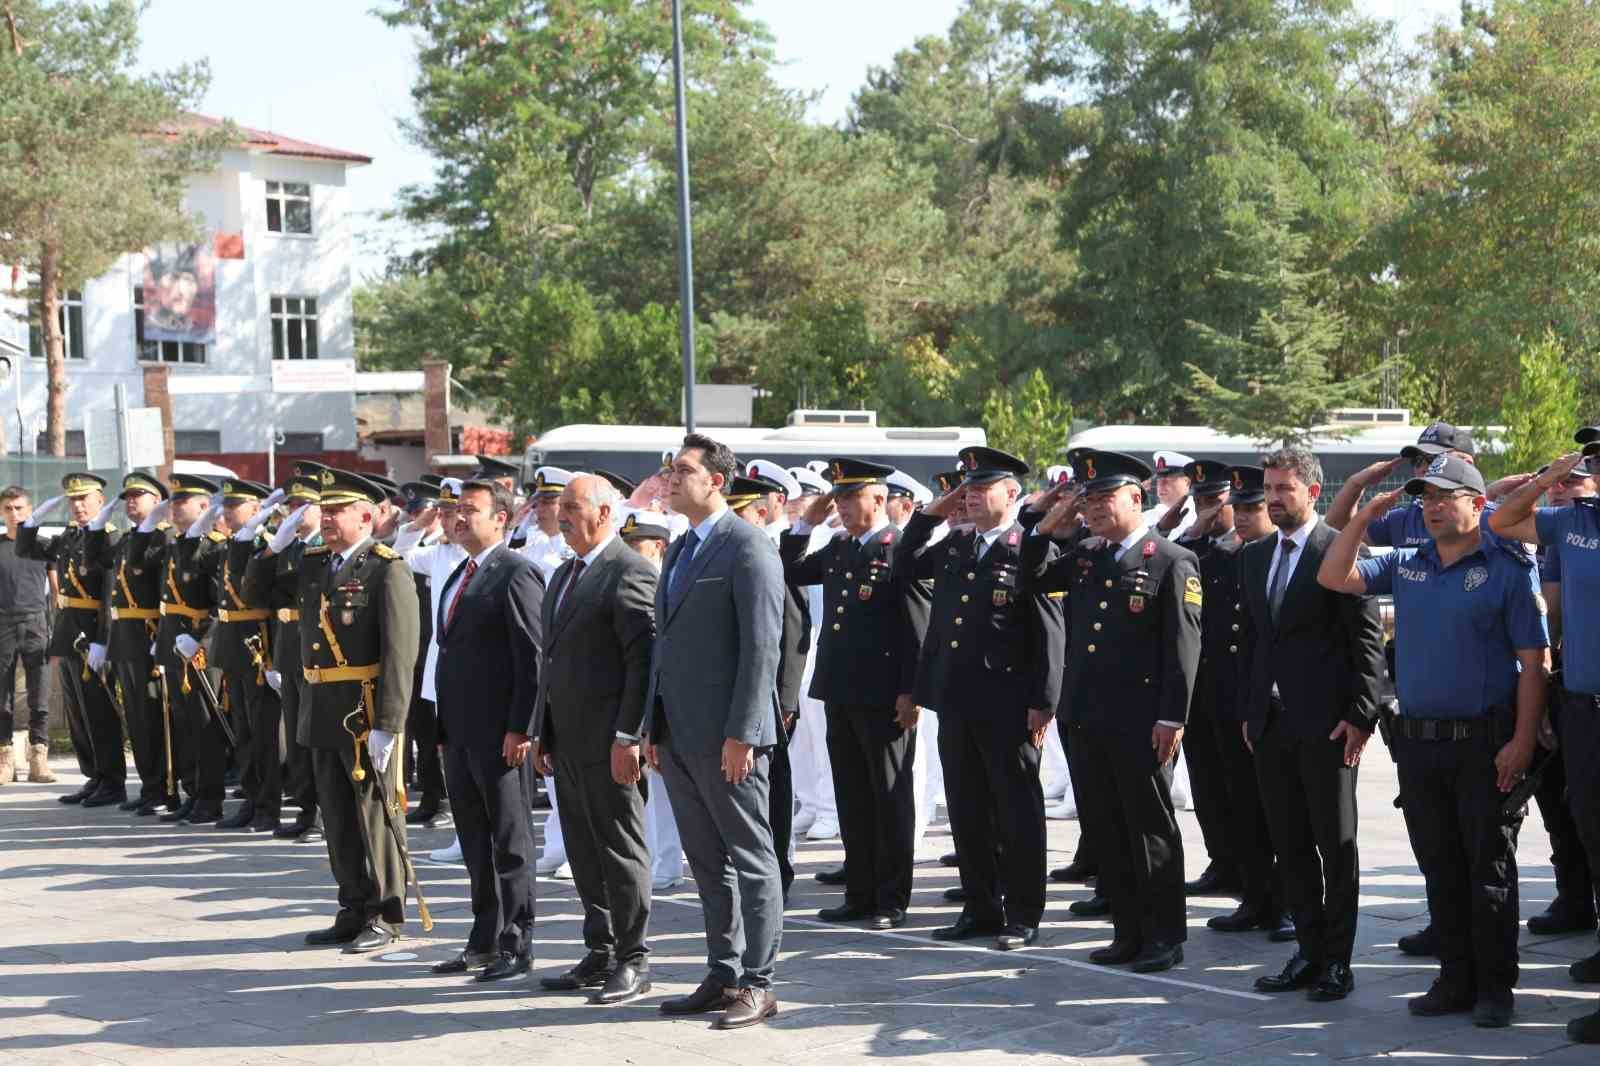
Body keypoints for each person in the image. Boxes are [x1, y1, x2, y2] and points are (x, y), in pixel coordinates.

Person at [1318, 454, 1546, 1028]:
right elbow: (1333, 576)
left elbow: (1534, 664)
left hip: (1484, 744)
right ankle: (1454, 977)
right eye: (1426, 498)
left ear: (1478, 504)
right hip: (1420, 745)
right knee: (1439, 865)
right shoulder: (1407, 562)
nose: (1434, 506)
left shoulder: (1508, 567)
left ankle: (1495, 987)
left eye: (1447, 496)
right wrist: (1360, 517)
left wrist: (1522, 742)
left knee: (1487, 868)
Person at [1031, 449, 1201, 973]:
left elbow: (1183, 647)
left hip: (1141, 722)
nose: (1096, 507)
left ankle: (1164, 936)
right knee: (1108, 830)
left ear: (1137, 497)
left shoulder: (1170, 559)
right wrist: (1057, 516)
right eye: (1089, 498)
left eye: (1105, 496)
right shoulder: (1086, 556)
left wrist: (1172, 718)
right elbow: (1030, 575)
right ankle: (1127, 931)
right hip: (1086, 718)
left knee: (1149, 831)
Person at [642, 433, 785, 1030]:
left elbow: (762, 648)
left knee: (752, 858)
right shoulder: (680, 549)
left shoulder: (747, 547)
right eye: (671, 470)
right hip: (679, 736)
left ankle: (760, 980)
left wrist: (744, 734)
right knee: (706, 862)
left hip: (729, 739)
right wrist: (652, 725)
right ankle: (723, 970)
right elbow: (664, 646)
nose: (671, 480)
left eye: (682, 471)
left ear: (716, 482)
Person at [898, 446, 1064, 952]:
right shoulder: (956, 546)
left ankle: (1024, 912)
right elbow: (902, 567)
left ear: (1011, 493)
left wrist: (1044, 700)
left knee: (1015, 809)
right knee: (968, 808)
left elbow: (1049, 631)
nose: (967, 497)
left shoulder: (1027, 548)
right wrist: (930, 514)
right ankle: (980, 906)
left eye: (979, 488)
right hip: (956, 697)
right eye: (964, 489)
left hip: (1009, 702)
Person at [1243, 448, 1386, 1002]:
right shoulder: (1254, 557)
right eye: (1268, 488)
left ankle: (1338, 962)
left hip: (1328, 727)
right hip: (1272, 726)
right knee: (1290, 843)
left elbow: (1366, 643)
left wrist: (1360, 715)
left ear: (1312, 492)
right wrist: (1249, 712)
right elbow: (1254, 642)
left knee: (1336, 843)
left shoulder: (1339, 550)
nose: (1272, 498)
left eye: (1283, 488)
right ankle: (1307, 950)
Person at [782, 458, 930, 930]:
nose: (842, 507)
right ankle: (860, 891)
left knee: (889, 797)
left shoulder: (899, 549)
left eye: (850, 497)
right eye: (838, 498)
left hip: (885, 696)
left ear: (880, 500)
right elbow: (792, 568)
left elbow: (916, 630)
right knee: (852, 795)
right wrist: (807, 519)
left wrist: (911, 692)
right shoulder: (841, 547)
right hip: (841, 690)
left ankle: (891, 898)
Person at [1488, 442, 1600, 1043]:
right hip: (1583, 709)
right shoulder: (1573, 520)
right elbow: (1500, 519)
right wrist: (1548, 477)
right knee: (1591, 832)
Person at [531, 474, 657, 1002]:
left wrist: (630, 735)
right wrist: (544, 729)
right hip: (570, 741)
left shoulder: (628, 570)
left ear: (605, 513)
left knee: (620, 849)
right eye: (559, 507)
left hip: (611, 741)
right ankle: (600, 947)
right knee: (583, 848)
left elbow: (644, 663)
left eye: (572, 507)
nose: (561, 515)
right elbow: (552, 659)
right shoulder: (564, 574)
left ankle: (633, 956)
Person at [289, 469, 420, 953]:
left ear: (365, 516)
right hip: (322, 707)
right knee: (337, 815)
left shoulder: (386, 568)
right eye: (323, 511)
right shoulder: (316, 564)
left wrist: (389, 724)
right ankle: (353, 903)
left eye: (335, 511)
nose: (325, 519)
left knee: (374, 814)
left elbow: (400, 654)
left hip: (364, 713)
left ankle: (387, 912)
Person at [429, 479, 542, 980]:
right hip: (459, 732)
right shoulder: (459, 573)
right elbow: (448, 654)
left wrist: (522, 727)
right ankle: (483, 938)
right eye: (454, 510)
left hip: (501, 735)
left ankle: (517, 943)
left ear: (502, 518)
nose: (457, 518)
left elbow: (532, 658)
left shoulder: (515, 572)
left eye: (469, 510)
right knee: (474, 839)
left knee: (510, 842)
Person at [1188, 467, 1292, 940]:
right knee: (1233, 803)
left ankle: (1288, 902)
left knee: (1276, 810)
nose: (1247, 516)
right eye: (1243, 507)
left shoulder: (1274, 559)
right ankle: (1254, 895)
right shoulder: (1219, 555)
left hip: (1261, 701)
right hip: (1216, 696)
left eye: (1254, 507)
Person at [16, 473, 127, 804]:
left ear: (99, 500)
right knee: (78, 712)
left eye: (84, 499)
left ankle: (113, 780)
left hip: (91, 634)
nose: (77, 506)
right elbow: (27, 549)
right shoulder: (70, 536)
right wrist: (31, 521)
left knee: (99, 711)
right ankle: (94, 775)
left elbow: (110, 595)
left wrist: (102, 640)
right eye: (72, 500)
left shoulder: (108, 538)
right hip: (68, 632)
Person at [731, 472, 810, 901]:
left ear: (761, 514)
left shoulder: (770, 557)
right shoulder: (733, 555)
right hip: (741, 696)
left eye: (739, 512)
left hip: (771, 700)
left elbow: (793, 632)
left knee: (773, 790)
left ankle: (777, 871)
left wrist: (786, 698)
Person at [1171, 460, 1243, 897]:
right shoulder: (1191, 548)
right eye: (1200, 502)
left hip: (1235, 686)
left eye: (1215, 501)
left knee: (1239, 784)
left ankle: (1253, 869)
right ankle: (1222, 860)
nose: (1208, 511)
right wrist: (1194, 526)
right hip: (1200, 686)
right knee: (1207, 782)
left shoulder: (1245, 548)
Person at [242, 469, 325, 841]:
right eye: (290, 506)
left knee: (316, 734)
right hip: (289, 648)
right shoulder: (287, 547)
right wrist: (270, 549)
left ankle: (323, 810)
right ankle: (307, 809)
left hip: (320, 651)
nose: (294, 513)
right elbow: (256, 595)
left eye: (303, 506)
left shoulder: (325, 549)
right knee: (295, 736)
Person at [85, 474, 172, 812]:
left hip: (147, 637)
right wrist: (98, 526)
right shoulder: (127, 539)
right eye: (127, 497)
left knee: (153, 718)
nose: (130, 501)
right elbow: (96, 562)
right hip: (123, 639)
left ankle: (163, 788)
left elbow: (168, 593)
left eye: (139, 495)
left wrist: (161, 637)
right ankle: (150, 786)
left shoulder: (162, 539)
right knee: (135, 719)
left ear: (157, 501)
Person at [152, 476, 231, 825]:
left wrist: (203, 641)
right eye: (174, 499)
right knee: (182, 724)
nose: (175, 505)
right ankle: (192, 792)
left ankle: (210, 798)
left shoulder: (215, 547)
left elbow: (222, 603)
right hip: (173, 641)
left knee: (204, 724)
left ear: (203, 507)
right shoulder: (176, 544)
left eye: (183, 500)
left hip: (198, 647)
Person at [618, 509, 685, 890]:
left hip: (670, 696)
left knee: (671, 784)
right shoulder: (632, 581)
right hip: (643, 696)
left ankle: (670, 860)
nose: (628, 553)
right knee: (653, 786)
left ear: (659, 546)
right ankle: (663, 859)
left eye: (636, 545)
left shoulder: (670, 584)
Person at [214, 479, 284, 831]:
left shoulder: (266, 546)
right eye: (225, 506)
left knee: (263, 734)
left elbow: (268, 602)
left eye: (235, 506)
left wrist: (275, 659)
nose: (227, 512)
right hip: (233, 648)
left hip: (258, 649)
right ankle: (251, 800)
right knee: (242, 732)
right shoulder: (231, 545)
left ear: (256, 510)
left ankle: (268, 807)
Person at [783, 463, 842, 848]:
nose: (799, 504)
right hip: (809, 647)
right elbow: (793, 568)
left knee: (822, 734)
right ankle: (812, 799)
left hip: (823, 643)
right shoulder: (807, 537)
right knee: (803, 736)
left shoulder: (832, 538)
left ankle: (829, 808)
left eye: (806, 497)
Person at [1326, 421, 1484, 548]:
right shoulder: (1405, 519)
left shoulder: (1491, 519)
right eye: (1417, 461)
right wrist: (1356, 484)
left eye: (1434, 459)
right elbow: (1338, 532)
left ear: (1467, 464)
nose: (1423, 468)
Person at [398, 480, 450, 827]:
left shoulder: (452, 550)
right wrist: (415, 526)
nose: (437, 517)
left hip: (445, 656)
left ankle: (444, 800)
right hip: (420, 655)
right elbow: (400, 552)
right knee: (422, 732)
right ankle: (432, 798)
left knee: (442, 733)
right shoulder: (434, 551)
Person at [0, 486, 50, 786]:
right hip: (2, 624)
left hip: (36, 624)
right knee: (1, 698)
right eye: (8, 508)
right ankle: (5, 757)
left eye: (19, 508)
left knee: (40, 695)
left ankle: (38, 756)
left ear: (29, 510)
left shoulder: (43, 546)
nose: (14, 514)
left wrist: (57, 630)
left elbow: (56, 592)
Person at [1146, 450, 1196, 539]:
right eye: (1159, 479)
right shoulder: (1145, 517)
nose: (1161, 485)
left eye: (1169, 480)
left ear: (1187, 482)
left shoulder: (1197, 515)